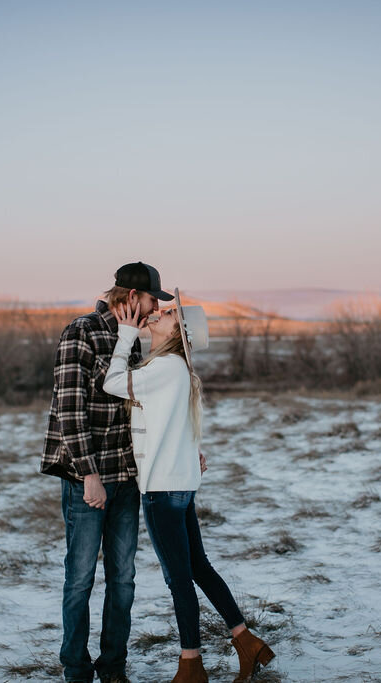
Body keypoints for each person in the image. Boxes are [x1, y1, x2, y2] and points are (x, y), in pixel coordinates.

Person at [102, 290, 275, 683]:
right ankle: (245, 640)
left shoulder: (165, 369)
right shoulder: (177, 369)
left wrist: (126, 333)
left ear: (178, 331)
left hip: (163, 490)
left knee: (179, 579)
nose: (156, 314)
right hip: (178, 487)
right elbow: (178, 427)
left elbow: (112, 382)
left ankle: (191, 665)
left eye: (165, 313)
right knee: (199, 567)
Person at [40, 262, 174, 683]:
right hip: (89, 480)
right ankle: (76, 670)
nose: (157, 309)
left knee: (125, 579)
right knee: (80, 578)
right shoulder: (81, 331)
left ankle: (113, 667)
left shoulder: (136, 343)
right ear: (132, 297)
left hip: (128, 480)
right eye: (154, 299)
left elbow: (149, 407)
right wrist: (88, 475)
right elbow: (69, 409)